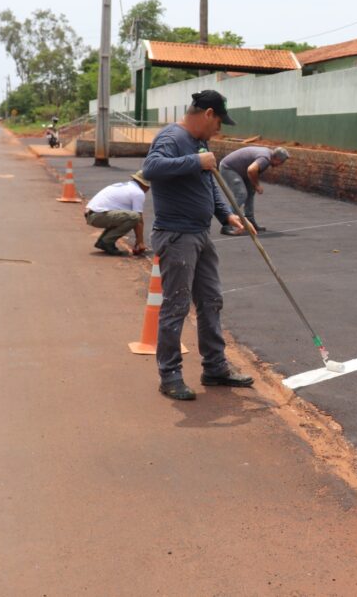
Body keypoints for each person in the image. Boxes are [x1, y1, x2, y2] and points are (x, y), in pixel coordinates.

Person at [141, 90, 256, 401]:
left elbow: (210, 182)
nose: (218, 130)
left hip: (200, 234)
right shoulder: (172, 138)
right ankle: (170, 375)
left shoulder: (199, 143)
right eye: (218, 122)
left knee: (211, 300)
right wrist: (195, 160)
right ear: (207, 114)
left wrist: (227, 214)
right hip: (177, 236)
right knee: (176, 306)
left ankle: (215, 367)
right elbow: (151, 168)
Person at [217, 145, 291, 235]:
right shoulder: (265, 159)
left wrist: (254, 186)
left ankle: (249, 220)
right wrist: (257, 185)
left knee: (251, 191)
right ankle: (226, 224)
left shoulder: (268, 154)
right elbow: (251, 170)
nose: (280, 165)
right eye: (281, 162)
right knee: (241, 194)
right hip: (228, 168)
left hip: (240, 170)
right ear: (277, 158)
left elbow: (251, 171)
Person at [85, 170, 150, 256]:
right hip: (97, 216)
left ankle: (102, 241)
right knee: (134, 217)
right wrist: (140, 242)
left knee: (124, 217)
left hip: (92, 214)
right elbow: (139, 220)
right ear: (144, 184)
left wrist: (138, 240)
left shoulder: (126, 186)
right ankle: (107, 242)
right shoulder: (138, 193)